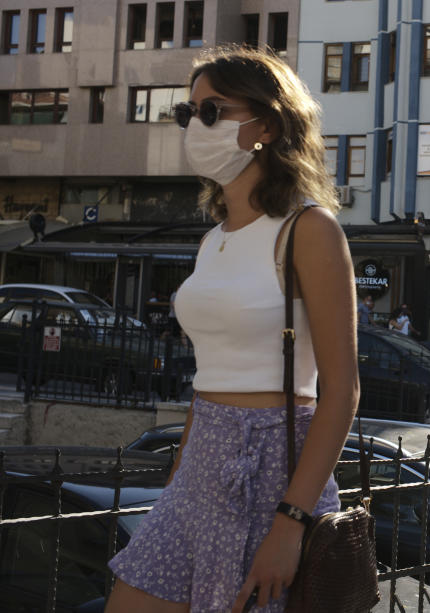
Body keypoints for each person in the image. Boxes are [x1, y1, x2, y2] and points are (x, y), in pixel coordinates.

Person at [105, 46, 359, 613]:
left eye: (213, 111)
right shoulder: (213, 238)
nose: (196, 125)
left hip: (272, 467)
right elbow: (210, 369)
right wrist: (183, 465)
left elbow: (341, 392)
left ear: (265, 124)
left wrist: (291, 522)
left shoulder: (309, 229)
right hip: (201, 459)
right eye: (188, 113)